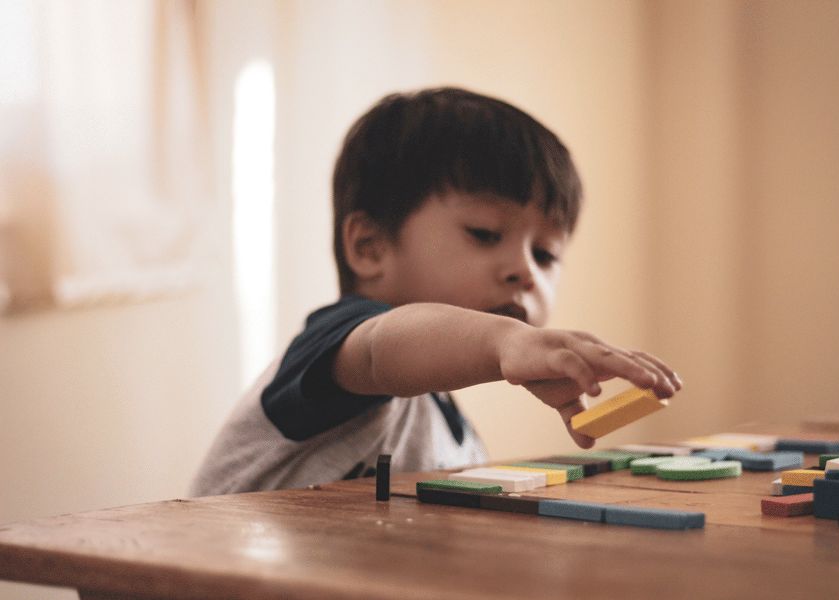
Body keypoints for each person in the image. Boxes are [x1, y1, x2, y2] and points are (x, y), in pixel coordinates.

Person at [189, 87, 682, 496]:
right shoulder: (342, 349)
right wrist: (502, 341)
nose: (525, 271)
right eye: (486, 234)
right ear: (371, 246)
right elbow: (386, 350)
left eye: (546, 254)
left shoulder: (456, 436)